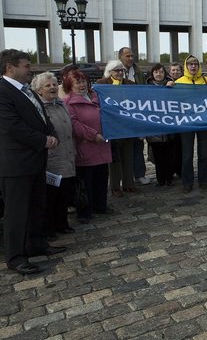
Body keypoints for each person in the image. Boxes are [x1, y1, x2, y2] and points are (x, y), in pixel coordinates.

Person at [0, 49, 65, 275]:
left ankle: (36, 243)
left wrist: (52, 135)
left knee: (36, 205)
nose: (31, 70)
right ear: (10, 68)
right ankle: (16, 257)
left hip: (37, 161)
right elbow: (12, 127)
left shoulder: (27, 90)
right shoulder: (3, 91)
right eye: (26, 66)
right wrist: (43, 140)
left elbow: (43, 117)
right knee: (16, 212)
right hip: (16, 164)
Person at [63, 70, 112, 223]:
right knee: (85, 182)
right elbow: (74, 124)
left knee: (101, 178)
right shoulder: (68, 102)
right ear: (70, 85)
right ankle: (85, 211)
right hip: (86, 147)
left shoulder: (96, 96)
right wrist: (93, 135)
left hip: (102, 145)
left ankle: (100, 206)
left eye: (83, 81)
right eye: (77, 82)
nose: (82, 85)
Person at [32, 72, 76, 237]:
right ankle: (48, 228)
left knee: (65, 193)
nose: (52, 87)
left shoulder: (61, 103)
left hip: (67, 155)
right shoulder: (37, 108)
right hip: (51, 159)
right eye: (47, 85)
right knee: (50, 196)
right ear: (39, 90)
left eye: (54, 84)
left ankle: (62, 223)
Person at [173, 54, 207, 193]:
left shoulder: (206, 80)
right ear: (186, 66)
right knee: (187, 155)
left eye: (195, 64)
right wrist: (169, 87)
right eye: (190, 64)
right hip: (187, 123)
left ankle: (203, 181)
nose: (193, 66)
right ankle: (187, 182)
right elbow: (173, 101)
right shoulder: (179, 82)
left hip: (204, 121)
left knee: (203, 153)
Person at [95, 60, 136, 197]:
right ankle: (115, 186)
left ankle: (129, 184)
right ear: (110, 71)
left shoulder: (130, 84)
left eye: (121, 70)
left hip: (127, 125)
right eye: (116, 70)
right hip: (111, 125)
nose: (119, 73)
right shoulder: (101, 84)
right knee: (114, 158)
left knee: (128, 155)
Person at [118, 47, 150, 186]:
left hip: (137, 113)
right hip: (120, 114)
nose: (131, 58)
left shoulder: (138, 72)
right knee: (121, 147)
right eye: (127, 56)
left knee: (138, 145)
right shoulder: (113, 70)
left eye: (132, 56)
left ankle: (139, 174)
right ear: (120, 57)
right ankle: (122, 176)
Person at [146, 64, 176, 186]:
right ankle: (160, 179)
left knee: (170, 155)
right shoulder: (146, 89)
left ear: (165, 73)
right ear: (152, 74)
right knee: (158, 156)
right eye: (156, 72)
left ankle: (169, 178)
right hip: (154, 129)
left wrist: (171, 87)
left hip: (169, 128)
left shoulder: (172, 86)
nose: (159, 74)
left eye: (161, 72)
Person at [167, 62, 183, 178]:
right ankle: (171, 170)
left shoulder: (185, 83)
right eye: (173, 70)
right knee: (170, 147)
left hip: (182, 120)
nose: (175, 72)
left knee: (181, 147)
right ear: (169, 72)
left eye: (177, 70)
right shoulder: (166, 83)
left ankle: (180, 170)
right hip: (170, 119)